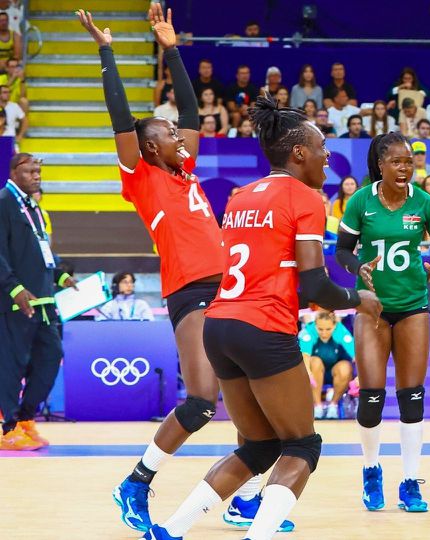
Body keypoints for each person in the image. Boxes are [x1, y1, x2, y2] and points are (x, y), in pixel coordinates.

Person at [142, 93, 382, 540]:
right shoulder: (307, 199)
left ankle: (169, 531)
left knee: (259, 446)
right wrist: (360, 298)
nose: (328, 157)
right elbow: (315, 287)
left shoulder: (241, 197)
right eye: (322, 148)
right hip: (263, 326)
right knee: (303, 444)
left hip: (219, 325)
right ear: (298, 153)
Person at [80, 8, 267, 533]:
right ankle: (136, 482)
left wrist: (172, 49)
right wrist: (107, 51)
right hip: (191, 292)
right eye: (168, 134)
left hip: (229, 290)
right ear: (148, 148)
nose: (180, 138)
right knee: (203, 402)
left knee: (253, 400)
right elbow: (121, 118)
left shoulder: (186, 172)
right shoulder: (140, 177)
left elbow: (190, 109)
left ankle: (245, 497)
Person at [335, 131, 430, 513]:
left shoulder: (423, 202)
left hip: (412, 306)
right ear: (380, 165)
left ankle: (410, 481)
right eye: (397, 162)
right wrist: (358, 267)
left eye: (409, 162)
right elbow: (342, 250)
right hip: (372, 306)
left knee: (412, 395)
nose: (405, 168)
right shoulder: (361, 201)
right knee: (372, 396)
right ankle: (371, 470)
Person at [0, 154, 77, 451]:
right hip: (16, 300)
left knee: (50, 357)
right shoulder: (4, 202)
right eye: (30, 171)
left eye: (38, 171)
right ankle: (7, 429)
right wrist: (14, 288)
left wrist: (60, 276)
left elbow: (41, 251)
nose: (36, 176)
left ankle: (25, 419)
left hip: (44, 299)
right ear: (13, 172)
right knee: (12, 365)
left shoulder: (34, 208)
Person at [305, 312, 353, 419]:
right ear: (315, 325)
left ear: (334, 326)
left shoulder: (341, 332)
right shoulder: (308, 332)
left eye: (328, 329)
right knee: (315, 362)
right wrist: (308, 373)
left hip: (335, 373)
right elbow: (305, 356)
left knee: (345, 367)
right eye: (320, 329)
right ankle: (317, 406)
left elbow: (356, 356)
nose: (324, 333)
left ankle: (333, 405)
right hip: (314, 374)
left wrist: (359, 379)